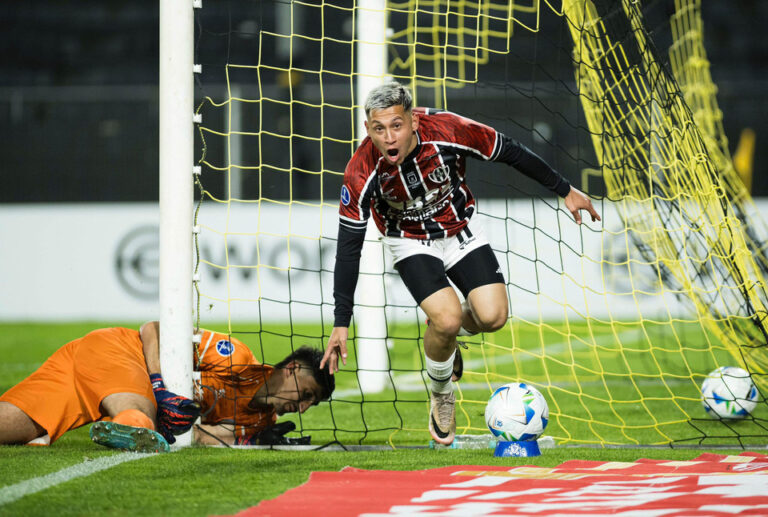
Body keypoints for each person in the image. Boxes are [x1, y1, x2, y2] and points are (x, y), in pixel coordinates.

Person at [320, 82, 600, 446]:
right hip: (409, 241)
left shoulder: (450, 130)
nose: (388, 137)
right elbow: (348, 248)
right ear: (368, 129)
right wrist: (341, 321)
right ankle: (441, 393)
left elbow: (510, 151)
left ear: (414, 121)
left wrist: (564, 189)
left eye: (396, 125)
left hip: (461, 230)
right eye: (379, 128)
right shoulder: (360, 172)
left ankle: (443, 333)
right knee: (448, 317)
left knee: (493, 317)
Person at [0, 322, 334, 452]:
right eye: (306, 394)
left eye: (310, 405)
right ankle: (129, 423)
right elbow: (153, 329)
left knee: (10, 426)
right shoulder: (236, 358)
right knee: (141, 418)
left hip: (92, 375)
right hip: (118, 351)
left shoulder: (259, 421)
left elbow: (199, 436)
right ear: (291, 369)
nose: (302, 408)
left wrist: (251, 440)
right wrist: (159, 388)